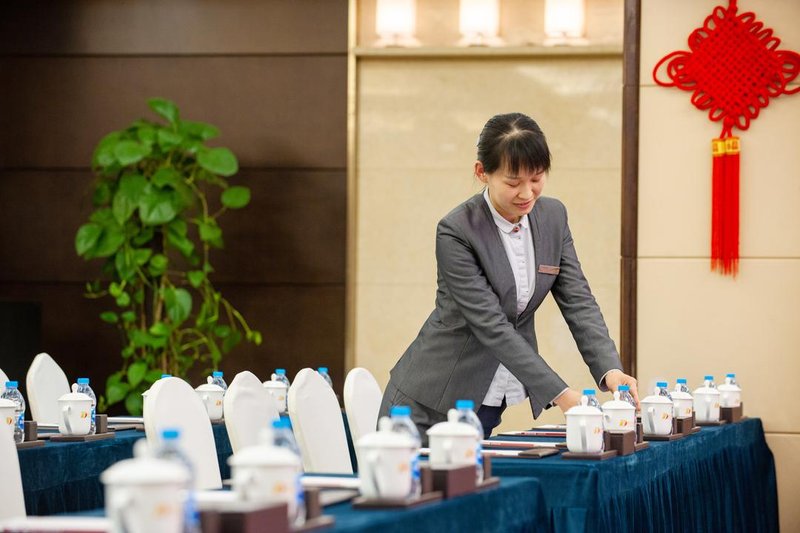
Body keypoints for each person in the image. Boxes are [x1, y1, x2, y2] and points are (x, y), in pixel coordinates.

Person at [378, 112, 639, 440]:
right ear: (482, 172)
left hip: (487, 402)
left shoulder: (553, 217)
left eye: (537, 178)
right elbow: (491, 324)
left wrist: (610, 369)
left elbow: (578, 300)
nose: (527, 193)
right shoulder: (457, 230)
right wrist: (562, 395)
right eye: (513, 183)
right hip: (427, 405)